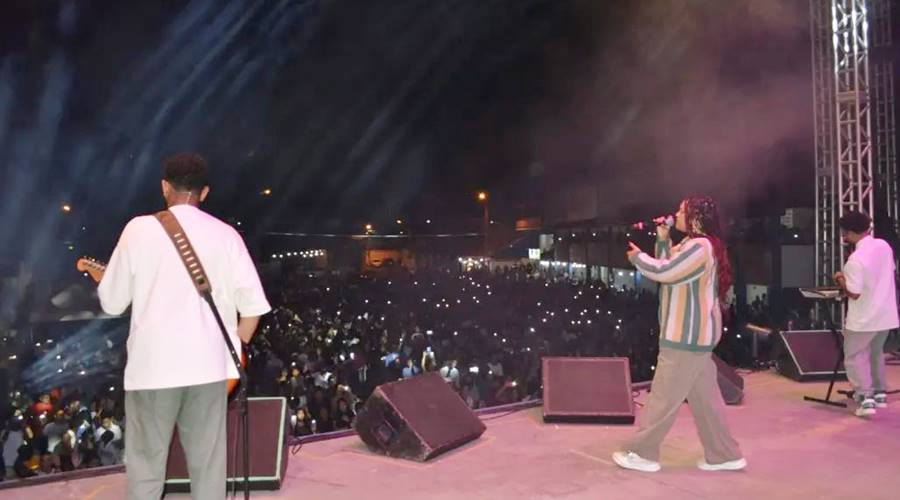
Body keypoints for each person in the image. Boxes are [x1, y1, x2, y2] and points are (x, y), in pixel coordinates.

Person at [97, 153, 271, 500]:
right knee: (208, 470)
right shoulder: (227, 235)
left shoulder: (138, 229)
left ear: (165, 187)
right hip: (207, 370)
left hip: (152, 372)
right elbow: (252, 310)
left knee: (146, 471)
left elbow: (112, 302)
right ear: (204, 192)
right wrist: (230, 351)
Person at [613, 196, 745, 473]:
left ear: (695, 217)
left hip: (685, 338)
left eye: (681, 210)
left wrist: (638, 257)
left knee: (662, 399)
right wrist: (662, 239)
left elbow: (666, 272)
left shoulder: (701, 247)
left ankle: (642, 453)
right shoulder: (692, 245)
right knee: (706, 402)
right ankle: (724, 454)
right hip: (693, 338)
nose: (675, 214)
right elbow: (670, 267)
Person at [833, 210, 899, 417]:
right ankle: (879, 395)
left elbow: (854, 292)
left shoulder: (855, 260)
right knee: (875, 354)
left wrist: (840, 278)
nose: (844, 236)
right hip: (886, 315)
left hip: (863, 319)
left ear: (851, 233)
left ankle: (865, 398)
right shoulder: (883, 246)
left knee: (854, 357)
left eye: (845, 233)